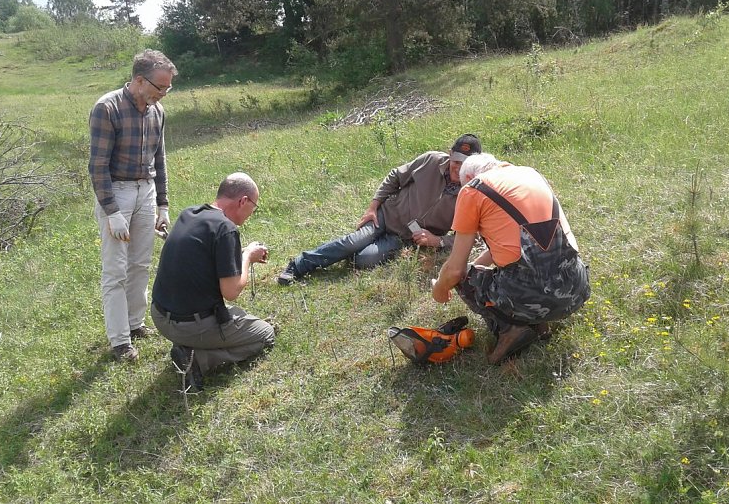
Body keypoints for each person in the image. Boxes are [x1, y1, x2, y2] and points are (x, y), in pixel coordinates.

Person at [431, 153, 590, 364]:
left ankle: (511, 328)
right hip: (577, 288)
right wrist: (476, 267)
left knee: (460, 278)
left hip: (537, 296)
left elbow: (455, 271)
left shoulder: (473, 189)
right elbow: (521, 245)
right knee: (528, 270)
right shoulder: (530, 174)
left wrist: (440, 288)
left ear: (468, 176)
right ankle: (539, 323)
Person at [276, 134, 482, 285]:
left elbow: (473, 237)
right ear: (449, 154)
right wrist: (373, 207)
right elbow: (395, 176)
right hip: (386, 216)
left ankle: (354, 251)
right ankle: (298, 265)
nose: (458, 167)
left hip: (406, 238)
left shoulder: (474, 191)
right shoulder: (431, 160)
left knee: (363, 259)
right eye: (456, 161)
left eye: (464, 164)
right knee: (352, 242)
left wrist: (437, 241)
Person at [89, 49, 177, 362]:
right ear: (139, 80)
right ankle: (119, 341)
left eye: (168, 88)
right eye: (159, 87)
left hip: (146, 191)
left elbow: (160, 160)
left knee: (140, 264)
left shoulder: (158, 112)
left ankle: (134, 323)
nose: (163, 93)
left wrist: (162, 205)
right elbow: (98, 165)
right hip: (118, 192)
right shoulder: (107, 108)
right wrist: (112, 212)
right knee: (116, 270)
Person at [151, 172, 276, 392]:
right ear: (243, 201)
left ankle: (191, 348)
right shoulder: (226, 228)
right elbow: (231, 291)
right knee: (265, 334)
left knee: (236, 315)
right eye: (253, 207)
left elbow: (206, 258)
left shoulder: (190, 214)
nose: (251, 213)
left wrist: (243, 252)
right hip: (189, 325)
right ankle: (197, 359)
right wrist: (247, 258)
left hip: (160, 317)